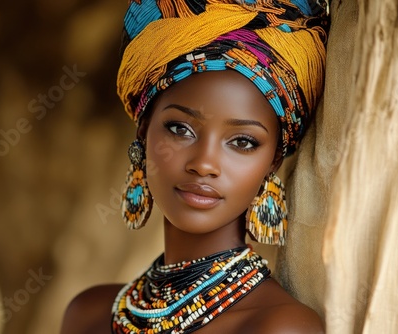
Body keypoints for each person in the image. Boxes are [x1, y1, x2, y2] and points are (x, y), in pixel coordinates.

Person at [62, 1, 329, 333]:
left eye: (243, 142)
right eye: (180, 129)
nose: (204, 164)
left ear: (273, 159)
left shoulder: (277, 326)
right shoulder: (89, 314)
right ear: (143, 133)